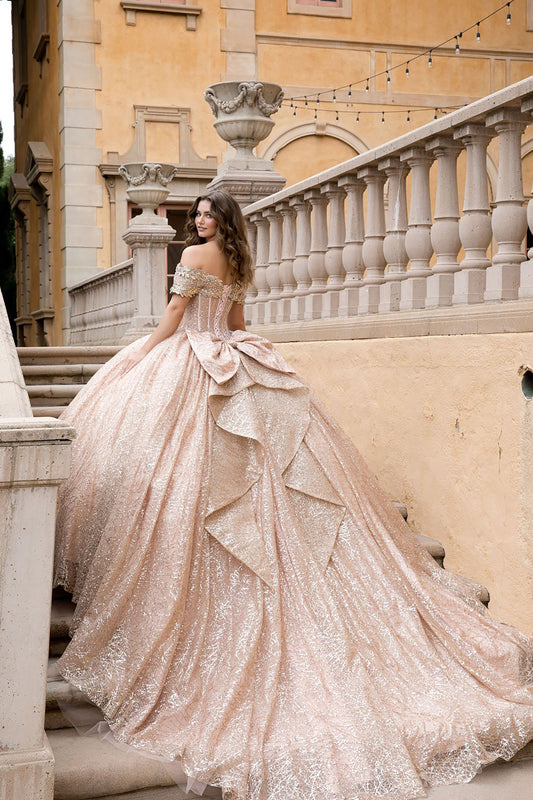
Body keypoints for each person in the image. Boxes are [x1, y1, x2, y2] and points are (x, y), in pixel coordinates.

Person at [54, 189, 533, 800]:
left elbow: (175, 321)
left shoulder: (198, 259)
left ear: (218, 222)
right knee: (265, 475)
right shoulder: (237, 260)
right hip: (235, 362)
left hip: (191, 362)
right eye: (195, 212)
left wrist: (139, 356)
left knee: (182, 474)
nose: (196, 220)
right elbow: (236, 326)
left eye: (205, 214)